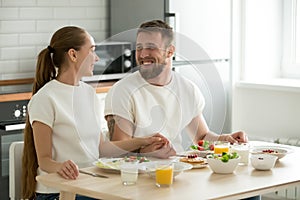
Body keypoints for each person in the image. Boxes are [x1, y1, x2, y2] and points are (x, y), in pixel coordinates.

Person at [21, 26, 166, 200]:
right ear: (73, 55)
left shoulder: (89, 93)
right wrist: (60, 166)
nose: (97, 58)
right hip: (56, 192)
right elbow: (44, 161)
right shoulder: (46, 98)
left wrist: (144, 141)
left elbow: (101, 148)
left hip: (89, 184)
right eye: (92, 51)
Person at [104, 19, 248, 158]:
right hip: (134, 175)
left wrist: (225, 139)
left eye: (151, 47)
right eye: (139, 48)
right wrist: (145, 151)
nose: (143, 54)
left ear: (170, 51)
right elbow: (117, 150)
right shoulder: (122, 91)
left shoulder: (187, 89)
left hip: (175, 168)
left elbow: (202, 137)